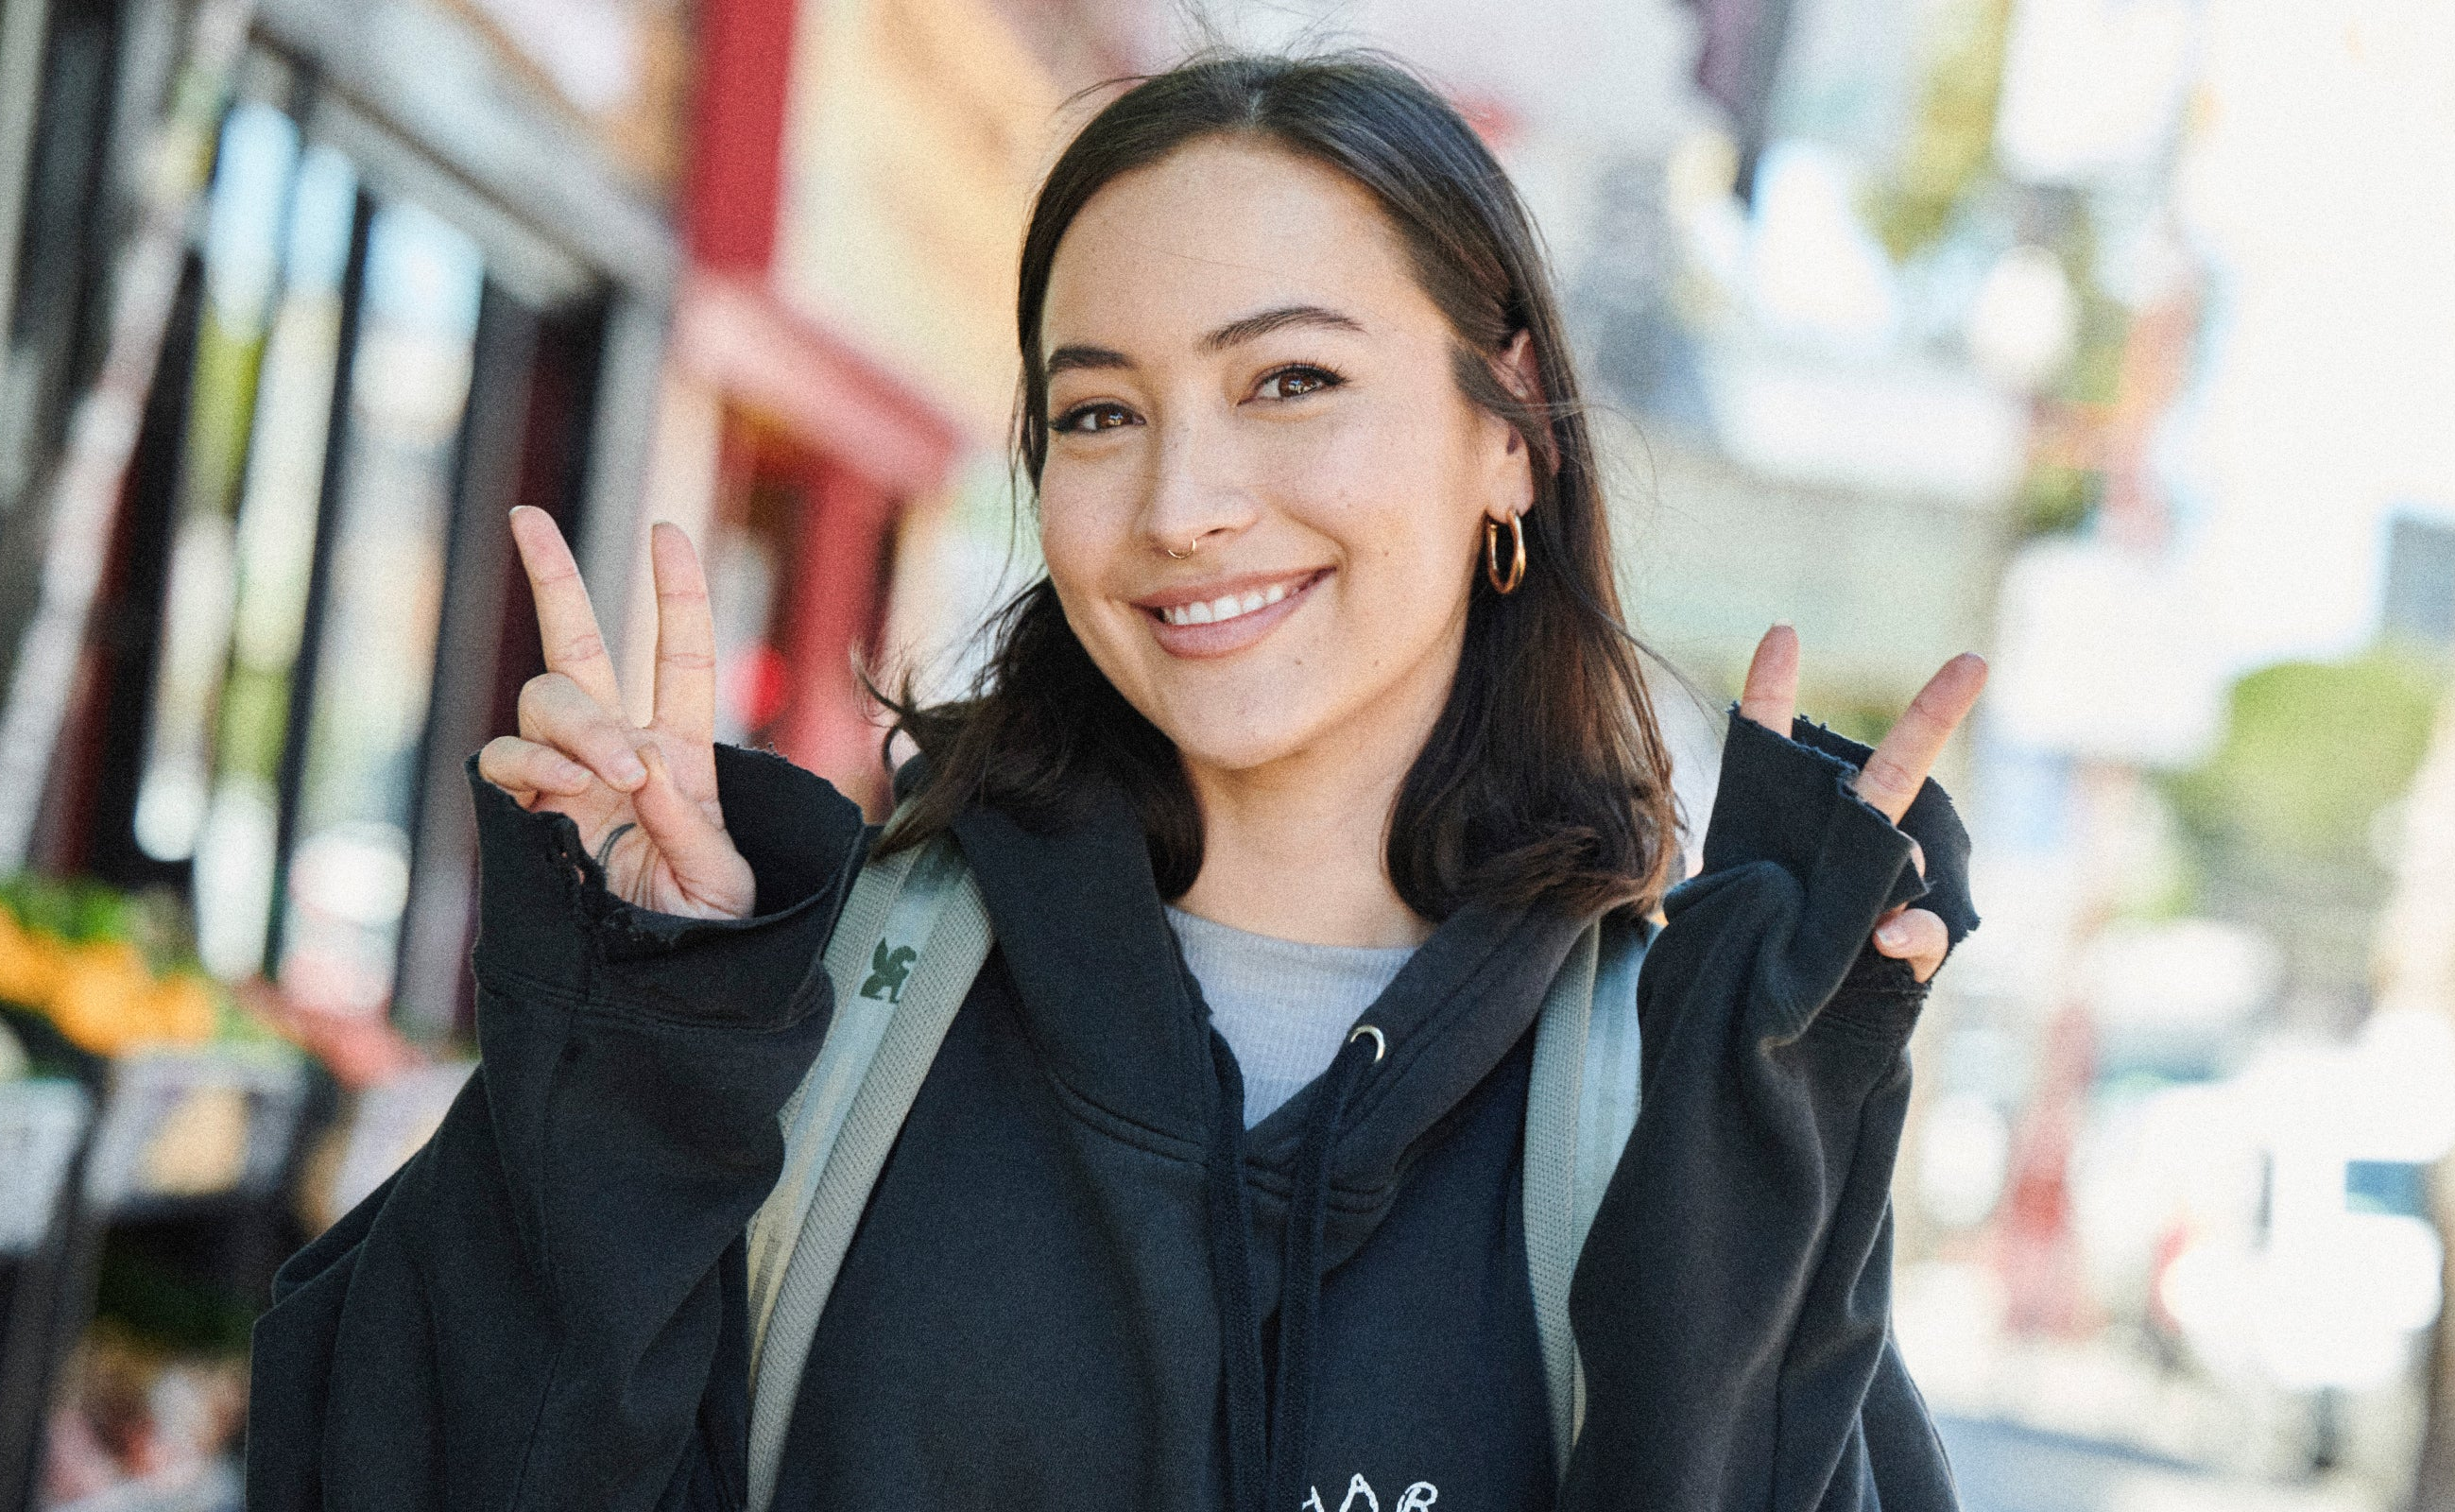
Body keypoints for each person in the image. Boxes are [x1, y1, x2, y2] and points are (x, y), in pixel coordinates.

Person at [247, 52, 1984, 1512]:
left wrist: (1755, 1188)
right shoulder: (836, 1011)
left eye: (1290, 380)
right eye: (1099, 415)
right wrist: (640, 1054)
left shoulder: (1652, 1091)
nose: (1180, 506)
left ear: (1509, 429)